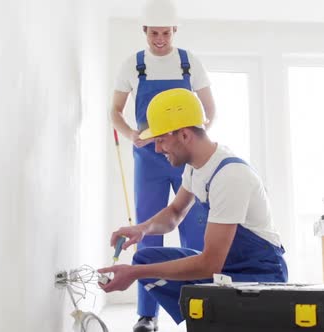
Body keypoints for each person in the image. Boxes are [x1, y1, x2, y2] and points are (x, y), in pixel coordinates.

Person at [99, 88, 288, 328]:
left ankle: (215, 316)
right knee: (144, 259)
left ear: (185, 135)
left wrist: (134, 275)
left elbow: (210, 264)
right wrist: (142, 230)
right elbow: (175, 213)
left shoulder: (230, 176)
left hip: (260, 275)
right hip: (227, 268)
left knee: (144, 270)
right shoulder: (195, 167)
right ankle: (209, 314)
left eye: (161, 140)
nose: (157, 149)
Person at [109, 0, 216, 330]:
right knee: (149, 232)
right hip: (149, 158)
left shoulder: (189, 63)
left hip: (185, 157)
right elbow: (115, 111)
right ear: (144, 31)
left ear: (175, 31)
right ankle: (147, 315)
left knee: (195, 231)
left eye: (166, 33)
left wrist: (194, 139)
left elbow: (210, 111)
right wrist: (132, 135)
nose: (160, 39)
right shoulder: (133, 65)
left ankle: (203, 308)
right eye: (154, 33)